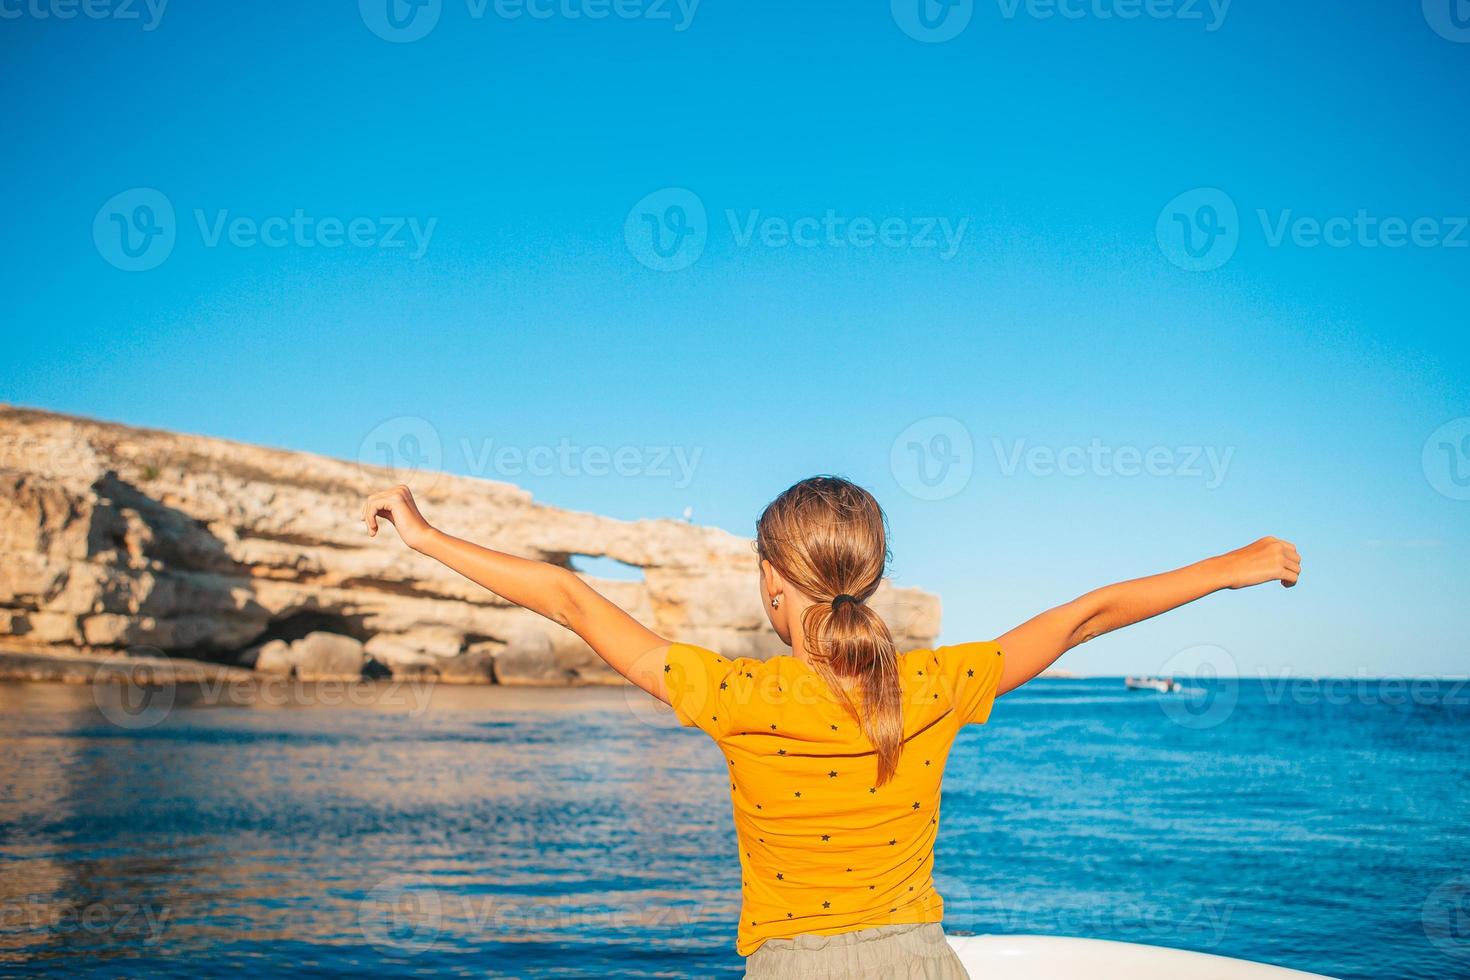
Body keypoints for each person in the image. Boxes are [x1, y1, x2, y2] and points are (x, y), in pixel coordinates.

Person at [361, 475, 1301, 979]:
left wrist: (425, 533)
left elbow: (570, 598)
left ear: (773, 587)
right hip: (920, 966)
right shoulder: (935, 684)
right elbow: (1084, 616)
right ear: (875, 579)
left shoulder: (735, 697)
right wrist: (1233, 564)